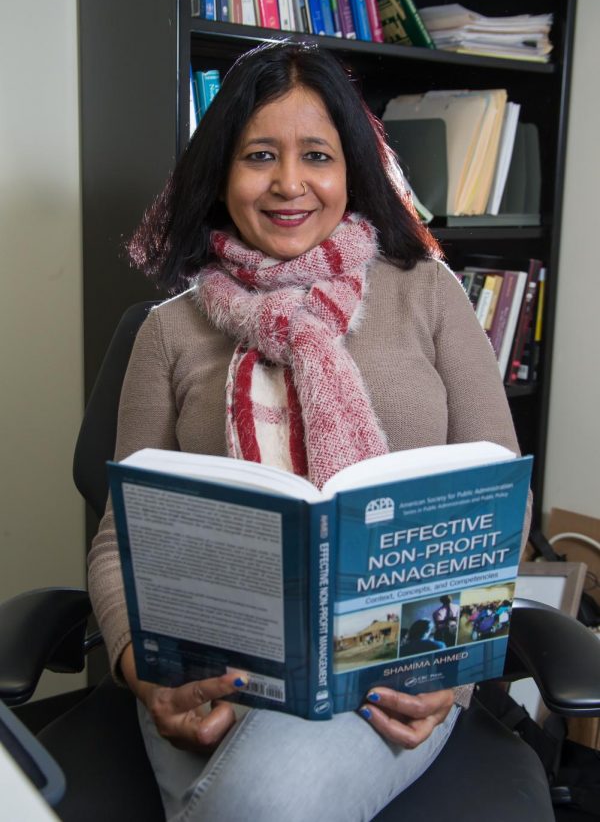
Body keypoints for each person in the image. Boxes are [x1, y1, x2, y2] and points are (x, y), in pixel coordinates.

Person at [88, 41, 532, 821]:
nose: (290, 184)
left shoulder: (428, 294)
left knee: (265, 804)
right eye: (260, 155)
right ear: (222, 175)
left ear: (351, 170)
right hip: (209, 667)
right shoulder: (169, 331)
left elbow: (499, 506)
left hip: (394, 671)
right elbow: (121, 540)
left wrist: (451, 676)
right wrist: (140, 669)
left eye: (317, 156)